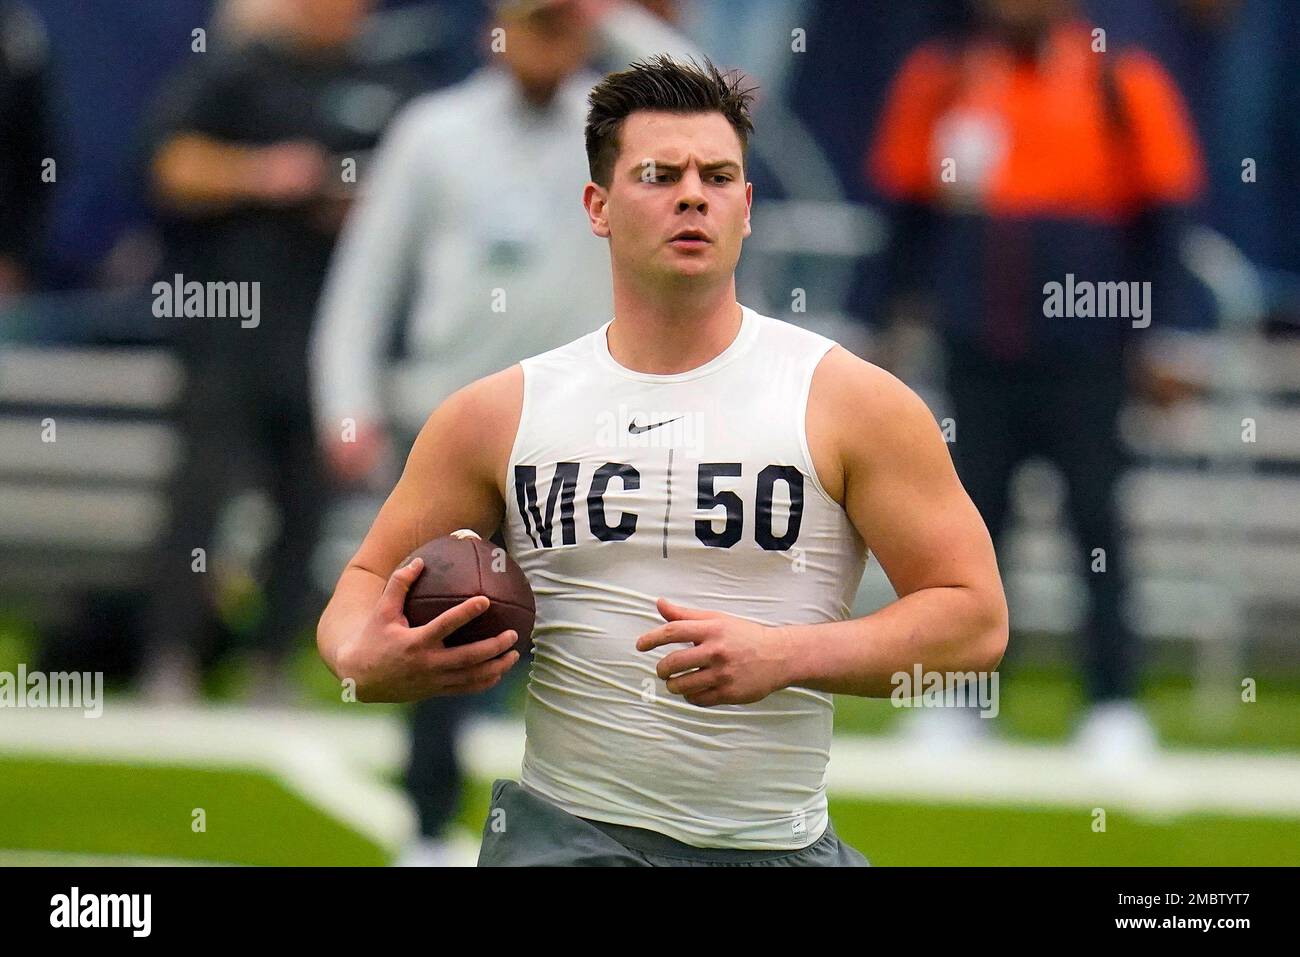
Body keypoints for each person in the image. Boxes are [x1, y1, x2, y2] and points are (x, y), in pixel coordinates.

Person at [316, 55, 1008, 866]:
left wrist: (785, 655)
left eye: (718, 175)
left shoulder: (852, 401)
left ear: (747, 207)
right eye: (658, 173)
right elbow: (362, 586)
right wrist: (367, 657)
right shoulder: (498, 412)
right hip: (568, 835)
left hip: (774, 843)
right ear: (597, 206)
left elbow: (975, 618)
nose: (692, 194)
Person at [867, 0, 1208, 760]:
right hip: (976, 345)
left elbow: (1164, 222)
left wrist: (1170, 338)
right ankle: (963, 697)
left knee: (1097, 520)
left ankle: (1114, 703)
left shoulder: (1118, 78)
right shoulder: (943, 77)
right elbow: (906, 217)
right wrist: (879, 324)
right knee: (970, 527)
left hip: (1087, 350)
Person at [138, 0, 410, 703]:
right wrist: (262, 173)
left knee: (307, 500)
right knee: (202, 493)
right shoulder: (238, 70)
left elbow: (408, 199)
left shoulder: (386, 82)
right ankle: (172, 655)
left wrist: (358, 201)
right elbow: (169, 165)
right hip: (231, 323)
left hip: (329, 331)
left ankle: (271, 662)